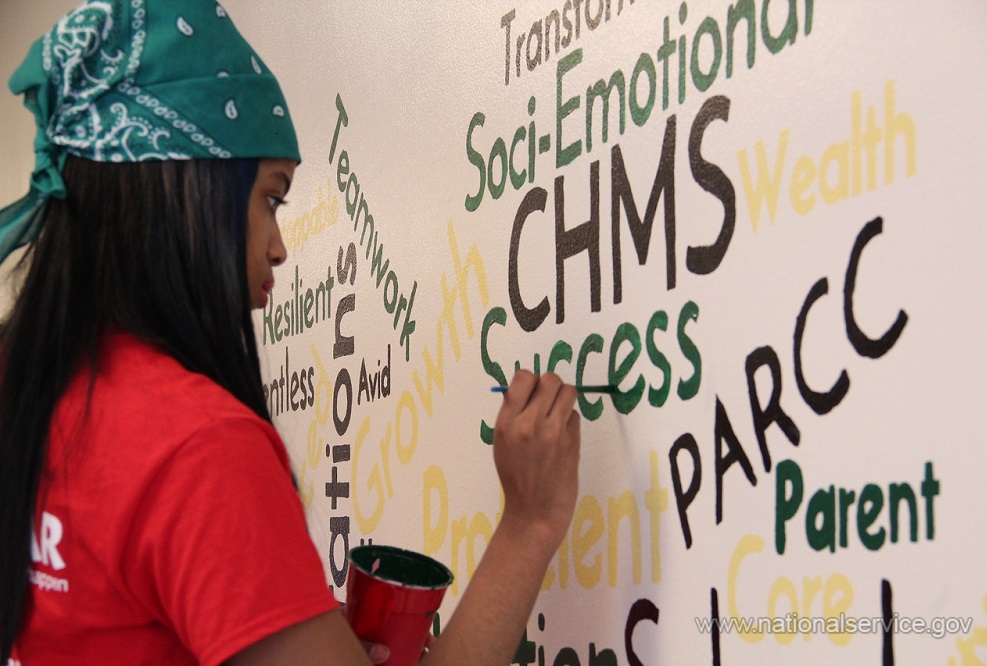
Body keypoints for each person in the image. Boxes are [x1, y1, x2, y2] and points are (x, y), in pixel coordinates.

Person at [0, 2, 582, 665]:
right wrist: (530, 524)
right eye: (269, 199)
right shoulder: (196, 447)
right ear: (187, 190)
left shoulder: (30, 384)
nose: (278, 247)